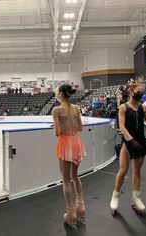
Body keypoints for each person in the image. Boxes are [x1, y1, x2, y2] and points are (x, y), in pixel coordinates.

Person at [110, 82, 146, 216]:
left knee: (137, 170)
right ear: (131, 92)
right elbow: (122, 126)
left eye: (142, 92)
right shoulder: (123, 107)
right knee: (123, 169)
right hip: (128, 141)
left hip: (140, 141)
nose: (141, 94)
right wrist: (130, 140)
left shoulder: (142, 107)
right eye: (138, 92)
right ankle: (115, 196)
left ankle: (136, 198)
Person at [52, 84, 86, 229]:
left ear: (60, 93)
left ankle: (71, 212)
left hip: (65, 143)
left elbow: (57, 133)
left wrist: (55, 125)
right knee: (75, 176)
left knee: (65, 180)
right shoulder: (76, 108)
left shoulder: (57, 110)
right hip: (76, 141)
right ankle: (81, 206)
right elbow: (80, 128)